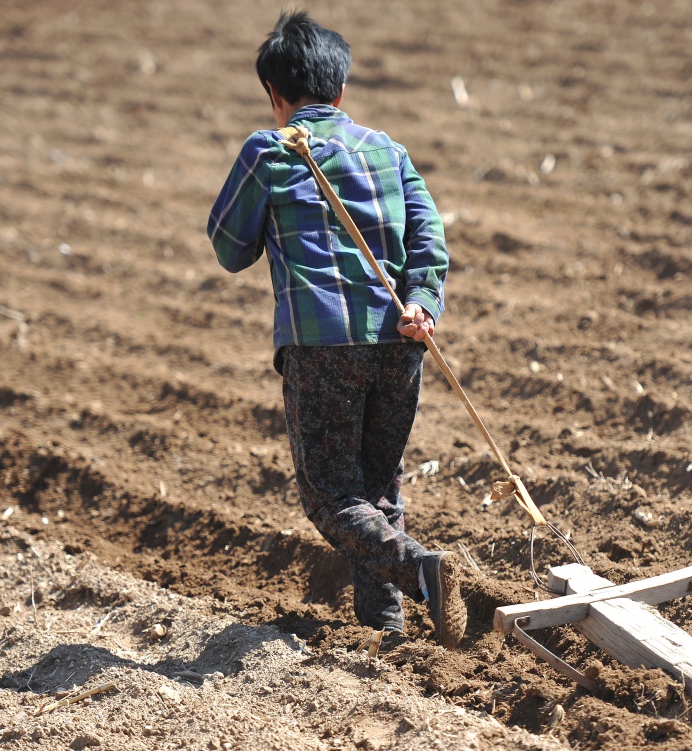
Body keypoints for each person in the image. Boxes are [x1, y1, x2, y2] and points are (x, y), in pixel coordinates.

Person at [207, 10, 466, 648]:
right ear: (340, 89)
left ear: (275, 94)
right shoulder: (389, 150)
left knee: (330, 498)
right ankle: (388, 632)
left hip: (321, 348)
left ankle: (421, 569)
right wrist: (423, 301)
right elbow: (429, 236)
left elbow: (228, 248)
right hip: (400, 341)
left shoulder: (267, 150)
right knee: (378, 488)